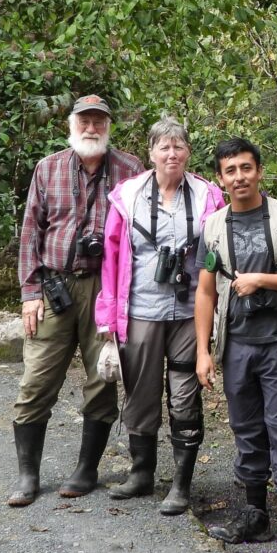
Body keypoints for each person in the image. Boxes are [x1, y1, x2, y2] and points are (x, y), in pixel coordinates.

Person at [11, 94, 144, 507]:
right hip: (54, 287)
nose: (91, 128)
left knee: (102, 378)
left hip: (105, 291)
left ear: (108, 127)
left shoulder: (130, 170)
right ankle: (28, 476)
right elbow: (31, 231)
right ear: (71, 125)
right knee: (36, 381)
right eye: (84, 121)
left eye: (99, 122)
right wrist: (30, 292)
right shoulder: (47, 168)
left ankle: (86, 470)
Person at [195, 137, 277, 553]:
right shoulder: (213, 227)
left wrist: (261, 280)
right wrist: (202, 352)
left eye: (246, 168)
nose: (239, 177)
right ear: (220, 178)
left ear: (259, 171)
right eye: (230, 171)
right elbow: (206, 293)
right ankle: (254, 515)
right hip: (235, 345)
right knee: (246, 429)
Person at [95, 117, 225, 515]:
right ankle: (141, 473)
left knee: (185, 395)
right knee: (140, 392)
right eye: (164, 147)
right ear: (150, 153)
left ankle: (181, 485)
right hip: (141, 311)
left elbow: (221, 248)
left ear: (189, 152)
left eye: (179, 146)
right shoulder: (127, 195)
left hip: (190, 312)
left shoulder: (208, 195)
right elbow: (112, 257)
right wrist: (107, 317)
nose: (172, 154)